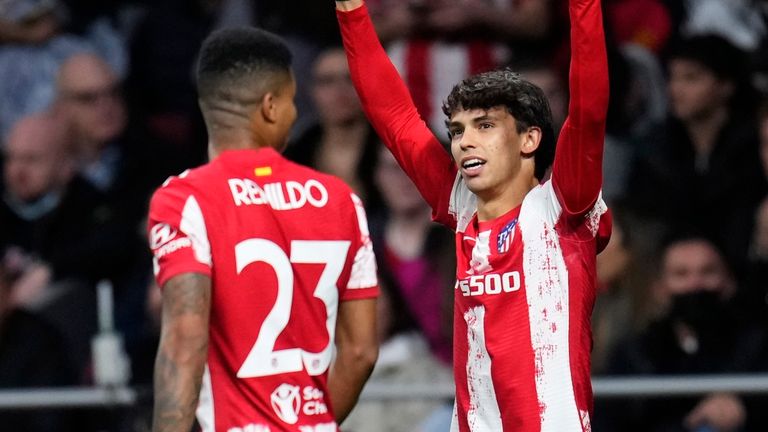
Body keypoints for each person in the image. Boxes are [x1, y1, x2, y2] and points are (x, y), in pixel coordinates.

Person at [335, 0, 610, 429]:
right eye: (458, 131)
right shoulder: (461, 205)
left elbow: (589, 106)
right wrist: (352, 12)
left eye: (484, 126)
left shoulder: (563, 204)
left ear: (529, 139)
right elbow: (392, 114)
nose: (464, 142)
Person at [147, 27, 379, 432]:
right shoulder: (341, 200)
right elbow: (360, 352)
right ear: (270, 106)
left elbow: (184, 343)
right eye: (292, 101)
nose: (294, 113)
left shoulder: (185, 200)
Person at [599, 234, 768, 432]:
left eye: (708, 271)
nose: (695, 284)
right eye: (681, 274)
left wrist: (745, 410)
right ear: (660, 288)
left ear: (729, 281)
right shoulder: (634, 356)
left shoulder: (759, 348)